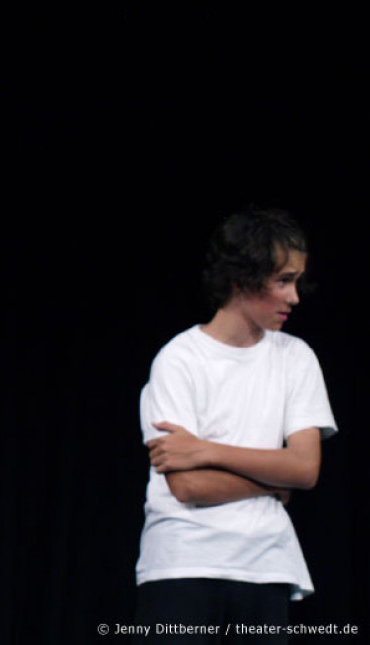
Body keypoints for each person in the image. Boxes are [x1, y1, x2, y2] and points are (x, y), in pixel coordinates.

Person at [134, 208, 336, 643]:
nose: (295, 297)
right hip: (182, 565)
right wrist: (271, 481)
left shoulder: (295, 357)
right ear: (242, 278)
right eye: (283, 280)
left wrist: (208, 451)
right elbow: (188, 487)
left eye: (297, 281)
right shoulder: (179, 360)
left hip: (266, 566)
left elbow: (304, 470)